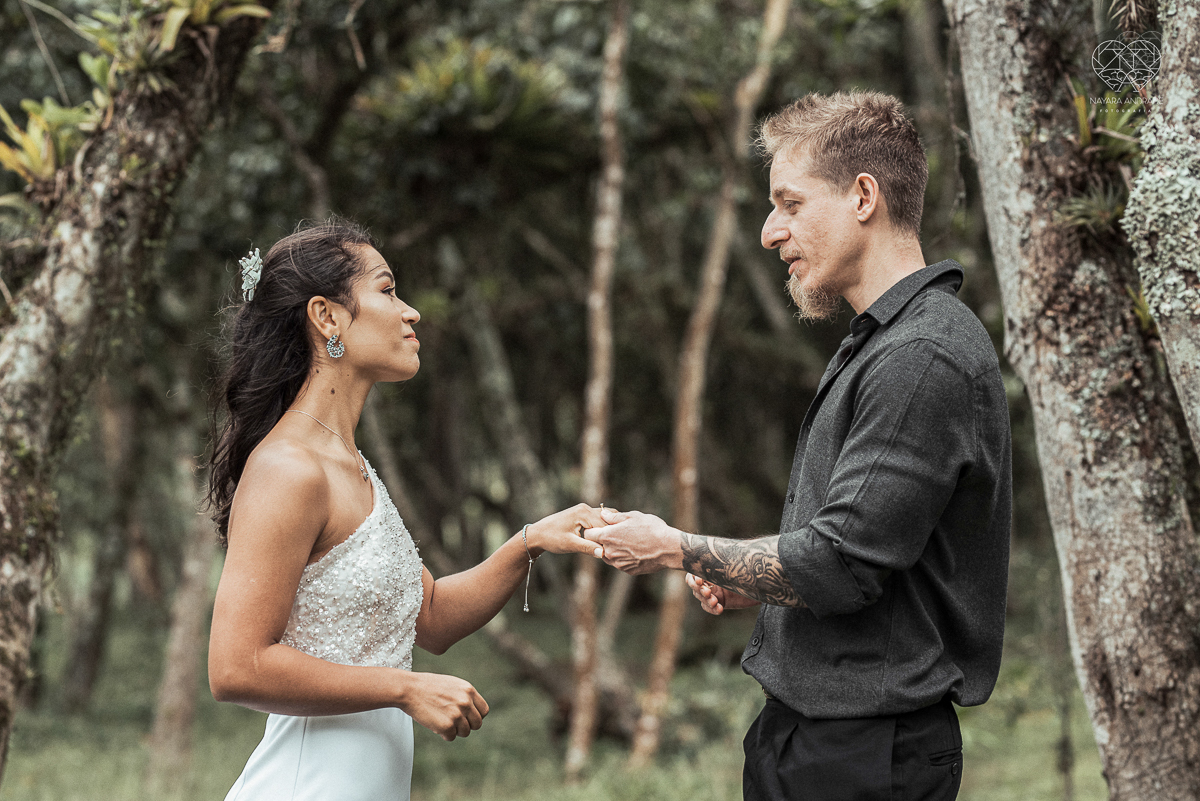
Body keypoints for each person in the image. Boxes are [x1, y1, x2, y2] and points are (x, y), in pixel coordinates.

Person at [584, 91, 1012, 800]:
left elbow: (843, 562)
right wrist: (748, 575)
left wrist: (674, 546)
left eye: (790, 202)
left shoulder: (924, 353)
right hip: (817, 738)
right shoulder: (882, 342)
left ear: (863, 196)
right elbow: (867, 554)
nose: (769, 230)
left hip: (866, 754)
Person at [206, 220, 604, 801]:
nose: (411, 312)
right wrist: (404, 688)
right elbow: (235, 667)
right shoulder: (289, 469)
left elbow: (433, 618)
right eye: (388, 291)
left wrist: (530, 542)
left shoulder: (351, 463)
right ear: (328, 317)